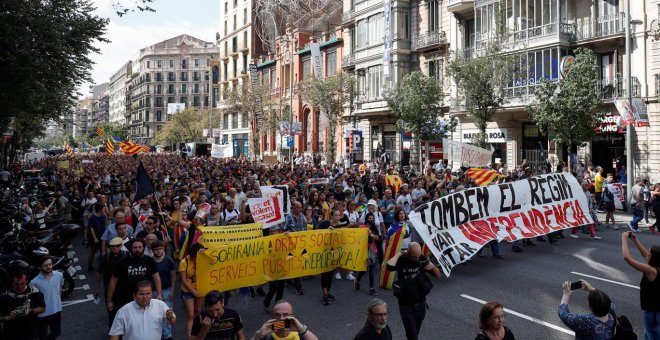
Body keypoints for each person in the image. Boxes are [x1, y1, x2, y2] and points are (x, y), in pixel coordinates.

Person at [385, 242, 441, 340]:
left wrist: (433, 267)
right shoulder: (402, 260)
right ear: (408, 253)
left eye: (418, 257)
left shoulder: (422, 259)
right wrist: (398, 254)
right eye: (414, 257)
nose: (416, 259)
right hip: (406, 305)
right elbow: (389, 267)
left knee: (414, 333)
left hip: (421, 303)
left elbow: (438, 275)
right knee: (413, 337)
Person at [106, 239, 162, 328]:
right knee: (126, 324)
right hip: (125, 299)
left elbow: (156, 277)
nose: (137, 250)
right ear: (130, 248)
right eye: (135, 247)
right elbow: (113, 281)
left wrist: (159, 294)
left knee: (145, 322)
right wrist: (109, 300)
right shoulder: (122, 262)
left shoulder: (149, 260)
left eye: (140, 247)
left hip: (145, 298)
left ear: (143, 248)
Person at [622, 231, 660, 339]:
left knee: (652, 335)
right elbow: (645, 255)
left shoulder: (651, 271)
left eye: (650, 253)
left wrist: (624, 239)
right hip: (656, 311)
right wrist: (635, 240)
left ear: (653, 257)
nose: (648, 254)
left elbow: (627, 258)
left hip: (652, 313)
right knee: (647, 335)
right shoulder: (657, 267)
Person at [109, 281, 176, 340]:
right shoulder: (124, 311)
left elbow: (173, 322)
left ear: (152, 294)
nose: (145, 297)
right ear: (134, 295)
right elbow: (115, 334)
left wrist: (169, 318)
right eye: (141, 294)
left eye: (148, 294)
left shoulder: (160, 305)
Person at [0, 270, 46, 340]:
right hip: (11, 334)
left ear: (27, 280)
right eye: (16, 284)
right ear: (11, 281)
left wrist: (31, 311)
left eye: (22, 283)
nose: (20, 287)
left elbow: (43, 308)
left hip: (30, 333)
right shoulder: (4, 296)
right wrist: (8, 317)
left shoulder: (34, 292)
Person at [96, 237, 128, 328]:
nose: (114, 248)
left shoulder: (127, 256)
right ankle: (113, 331)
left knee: (125, 311)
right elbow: (99, 272)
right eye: (112, 246)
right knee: (111, 312)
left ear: (121, 245)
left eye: (117, 246)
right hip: (109, 289)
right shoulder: (106, 257)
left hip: (124, 289)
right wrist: (97, 287)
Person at [30, 257, 64, 340]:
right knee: (42, 337)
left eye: (50, 264)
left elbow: (60, 288)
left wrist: (57, 301)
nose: (49, 267)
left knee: (56, 332)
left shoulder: (59, 275)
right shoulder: (34, 282)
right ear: (40, 267)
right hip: (42, 315)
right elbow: (33, 300)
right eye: (45, 265)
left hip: (56, 311)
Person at [252, 300, 318, 340]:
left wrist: (302, 330)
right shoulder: (265, 335)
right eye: (277, 315)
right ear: (272, 318)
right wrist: (258, 336)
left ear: (292, 317)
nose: (281, 318)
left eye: (286, 315)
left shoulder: (300, 334)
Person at [152, 240, 176, 340]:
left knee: (167, 314)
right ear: (152, 250)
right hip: (152, 292)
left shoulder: (169, 260)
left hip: (167, 290)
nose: (158, 251)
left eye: (160, 249)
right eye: (156, 249)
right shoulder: (150, 261)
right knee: (153, 314)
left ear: (163, 249)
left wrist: (172, 291)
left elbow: (173, 277)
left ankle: (167, 335)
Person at [180, 242, 205, 337]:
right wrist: (193, 291)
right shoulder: (184, 262)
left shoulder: (203, 260)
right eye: (197, 256)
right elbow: (183, 279)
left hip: (200, 289)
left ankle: (198, 332)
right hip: (187, 290)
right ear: (193, 254)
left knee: (198, 311)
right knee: (190, 314)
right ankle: (190, 336)